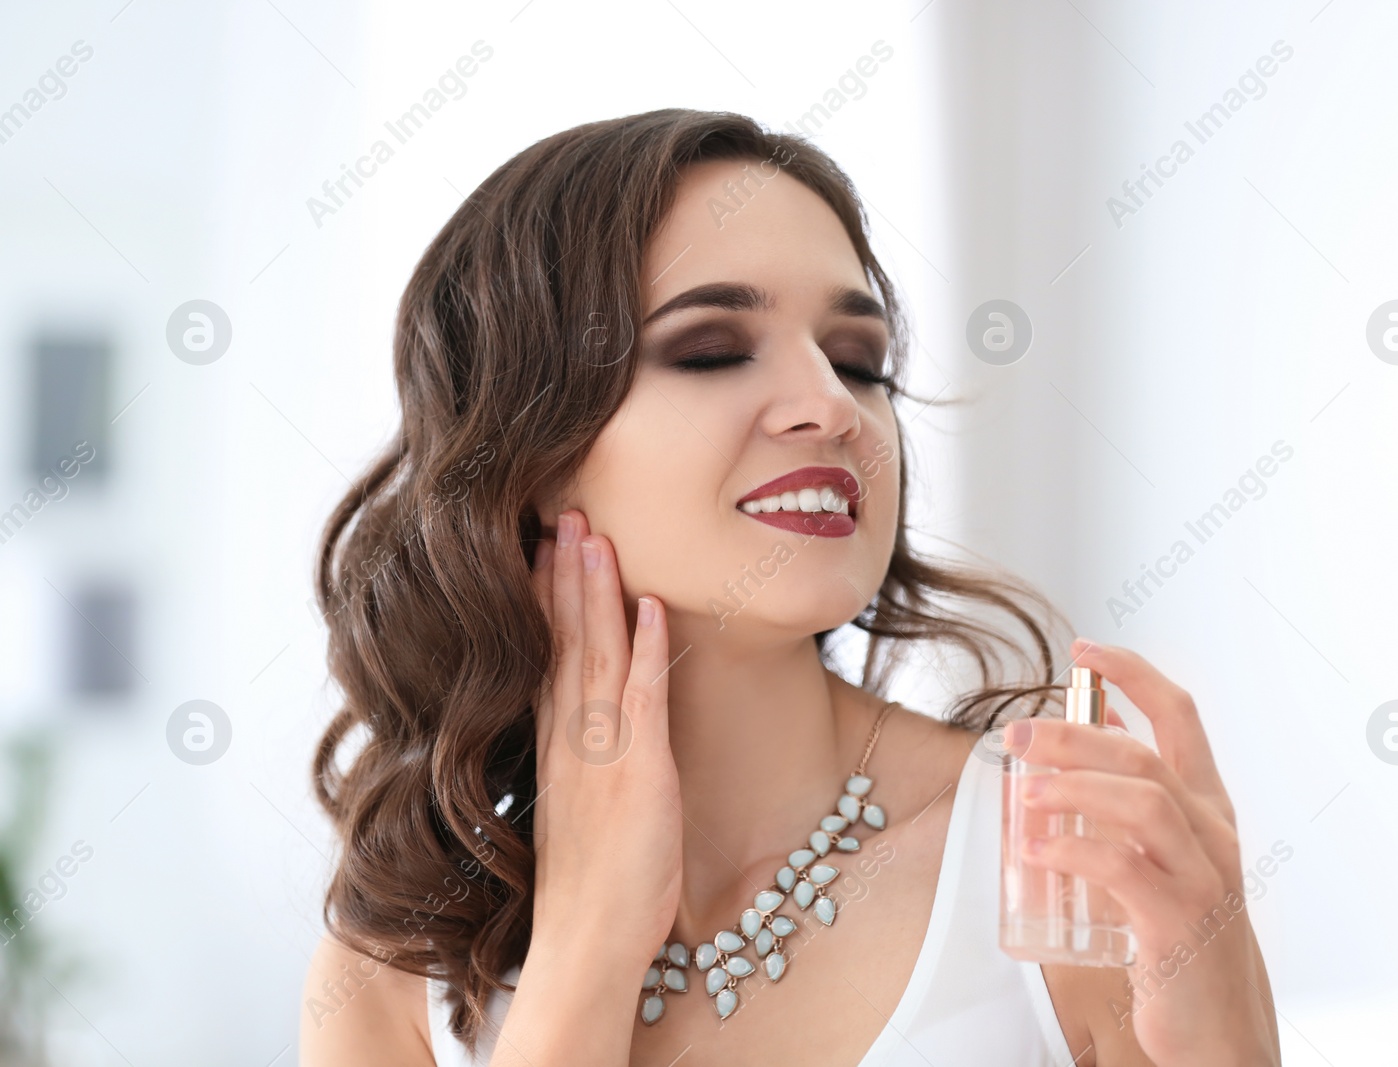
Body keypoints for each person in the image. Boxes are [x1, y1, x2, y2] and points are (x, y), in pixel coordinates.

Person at [298, 108, 1279, 1066]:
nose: (831, 408)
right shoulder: (395, 966)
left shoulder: (1058, 874)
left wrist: (1231, 1044)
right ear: (529, 454)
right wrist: (584, 949)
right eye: (712, 349)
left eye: (859, 362)